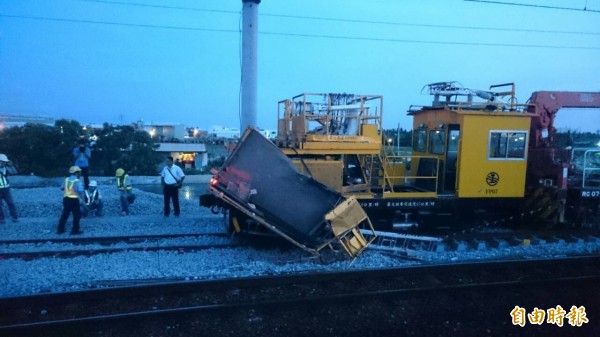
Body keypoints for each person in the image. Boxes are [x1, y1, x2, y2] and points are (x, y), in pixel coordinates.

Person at [57, 166, 85, 235]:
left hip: (66, 199)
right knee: (77, 215)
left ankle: (60, 229)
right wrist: (83, 200)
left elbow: (62, 188)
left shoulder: (66, 179)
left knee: (65, 214)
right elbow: (81, 191)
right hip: (74, 200)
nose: (80, 174)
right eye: (79, 172)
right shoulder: (77, 181)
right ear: (76, 173)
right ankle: (75, 230)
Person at [0, 154, 19, 224]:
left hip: (6, 189)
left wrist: (11, 166)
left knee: (11, 203)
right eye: (3, 162)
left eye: (5, 162)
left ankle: (15, 217)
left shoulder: (6, 169)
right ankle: (1, 219)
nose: (4, 163)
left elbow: (15, 172)